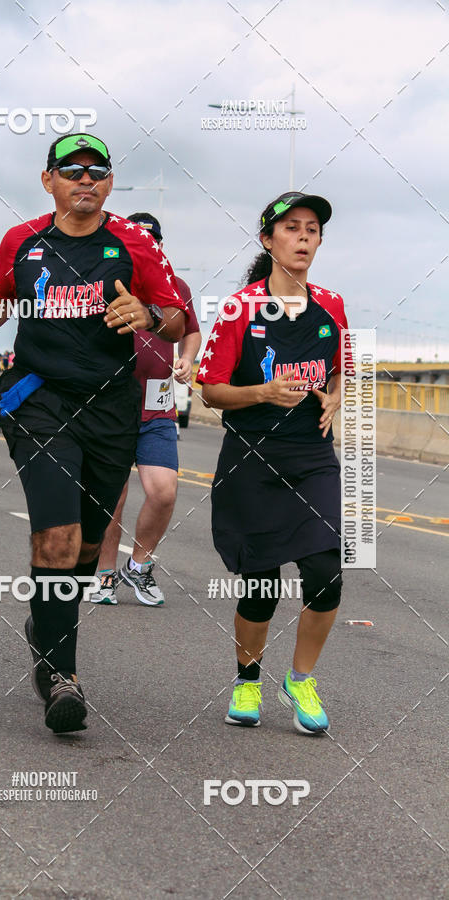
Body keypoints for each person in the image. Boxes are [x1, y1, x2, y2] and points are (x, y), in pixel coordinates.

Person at [0, 132, 187, 735]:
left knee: (86, 548)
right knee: (56, 538)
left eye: (97, 171)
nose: (85, 179)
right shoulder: (23, 240)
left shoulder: (135, 245)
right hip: (39, 399)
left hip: (112, 408)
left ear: (109, 183)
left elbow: (177, 316)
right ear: (49, 180)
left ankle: (46, 627)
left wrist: (147, 315)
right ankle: (65, 675)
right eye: (72, 170)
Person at [197, 191, 349, 735]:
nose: (305, 237)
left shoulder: (332, 304)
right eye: (293, 228)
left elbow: (339, 368)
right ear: (268, 240)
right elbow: (209, 390)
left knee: (326, 573)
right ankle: (247, 676)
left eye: (313, 229)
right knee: (259, 584)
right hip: (252, 458)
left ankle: (301, 678)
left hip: (311, 456)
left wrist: (334, 394)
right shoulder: (239, 309)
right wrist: (261, 392)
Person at [90, 212, 201, 606]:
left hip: (157, 408)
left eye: (152, 240)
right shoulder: (106, 283)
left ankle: (138, 567)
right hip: (111, 407)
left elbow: (190, 331)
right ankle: (104, 575)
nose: (146, 246)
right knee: (112, 498)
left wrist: (188, 359)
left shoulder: (176, 286)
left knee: (164, 492)